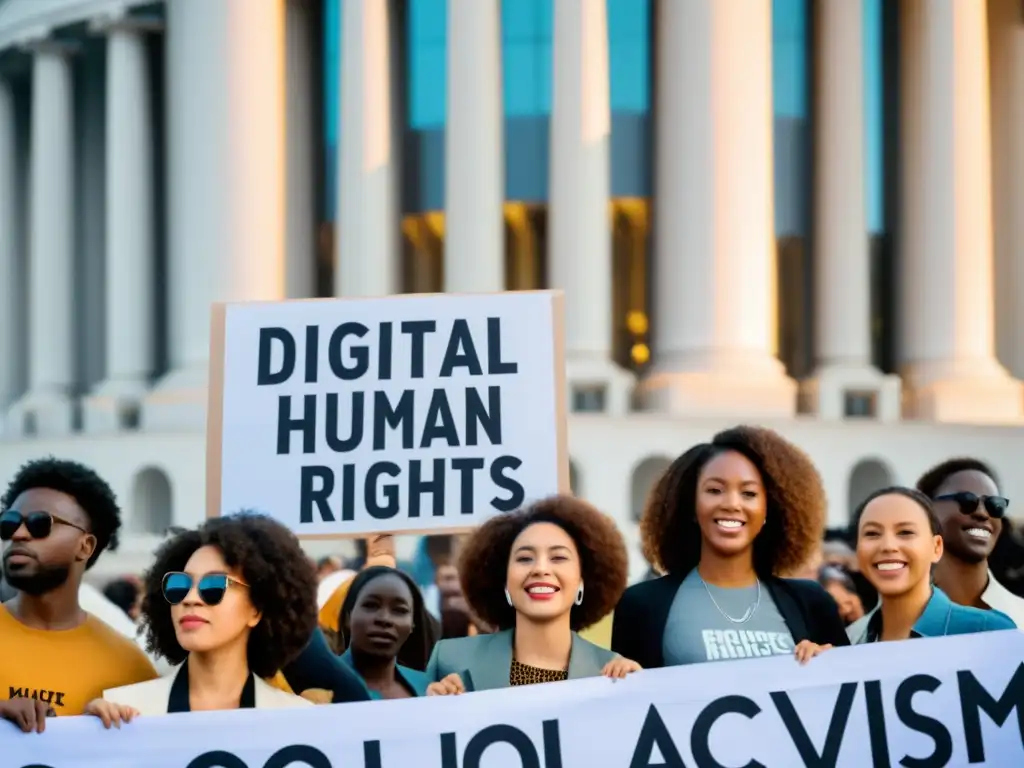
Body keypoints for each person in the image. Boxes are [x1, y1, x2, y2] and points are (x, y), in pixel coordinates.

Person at [612, 427, 849, 669]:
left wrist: (827, 663)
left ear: (770, 509)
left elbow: (848, 693)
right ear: (691, 504)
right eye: (715, 490)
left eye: (748, 493)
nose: (732, 504)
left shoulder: (812, 603)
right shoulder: (641, 605)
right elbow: (628, 701)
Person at [97, 513, 319, 721]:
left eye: (214, 586)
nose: (190, 598)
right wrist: (92, 732)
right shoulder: (125, 713)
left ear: (256, 609)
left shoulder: (294, 720)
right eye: (179, 585)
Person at [0, 458, 158, 733]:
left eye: (40, 523)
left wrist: (99, 729)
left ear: (85, 546)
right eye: (9, 522)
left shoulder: (130, 668)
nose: (19, 533)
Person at [426, 496, 639, 695]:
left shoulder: (613, 672)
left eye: (558, 557)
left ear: (583, 580)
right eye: (525, 558)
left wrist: (639, 692)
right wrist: (434, 707)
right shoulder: (449, 660)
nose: (540, 569)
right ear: (504, 581)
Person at [846, 487, 1015, 643]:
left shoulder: (989, 631)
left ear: (936, 547)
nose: (888, 546)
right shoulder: (847, 641)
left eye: (905, 532)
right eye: (872, 533)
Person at [915, 458, 1024, 627]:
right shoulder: (884, 626)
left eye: (994, 505)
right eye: (966, 501)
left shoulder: (1019, 619)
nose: (982, 513)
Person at [335, 566, 435, 698]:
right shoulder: (316, 685)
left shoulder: (428, 689)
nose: (384, 619)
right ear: (348, 616)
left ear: (412, 624)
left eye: (399, 610)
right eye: (371, 605)